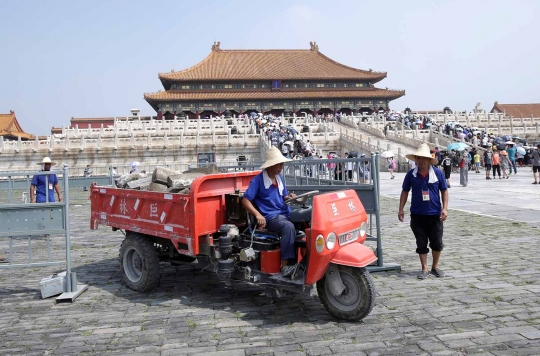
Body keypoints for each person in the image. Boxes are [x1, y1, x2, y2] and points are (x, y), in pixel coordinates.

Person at [242, 147, 298, 277]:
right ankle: (285, 266)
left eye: (282, 164)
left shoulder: (280, 179)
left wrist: (289, 197)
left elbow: (283, 196)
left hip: (284, 213)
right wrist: (258, 214)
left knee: (306, 220)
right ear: (270, 165)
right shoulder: (258, 181)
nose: (281, 167)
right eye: (278, 164)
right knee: (288, 227)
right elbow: (245, 200)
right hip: (271, 217)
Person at [398, 143, 448, 280]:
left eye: (423, 158)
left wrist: (445, 208)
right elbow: (405, 191)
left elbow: (444, 191)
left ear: (428, 159)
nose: (421, 161)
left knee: (437, 242)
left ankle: (435, 266)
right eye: (418, 158)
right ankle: (424, 268)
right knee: (421, 242)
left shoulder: (437, 173)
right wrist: (401, 209)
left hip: (435, 214)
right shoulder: (411, 175)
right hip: (417, 214)